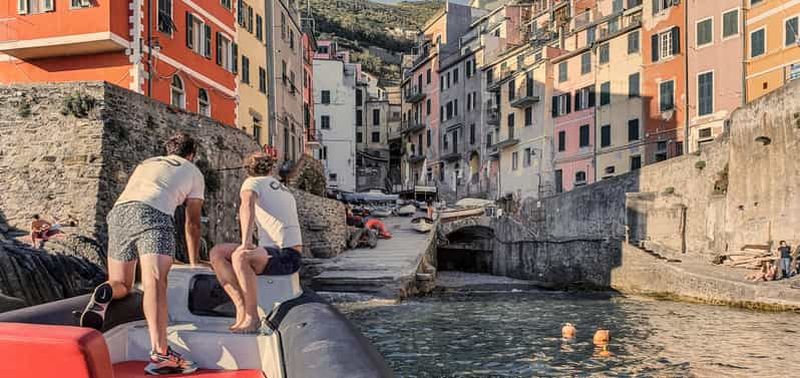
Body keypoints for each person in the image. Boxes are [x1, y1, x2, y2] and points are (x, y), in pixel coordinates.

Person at [80, 133, 205, 375]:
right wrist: (194, 261)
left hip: (119, 213)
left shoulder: (148, 163)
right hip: (154, 213)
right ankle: (161, 354)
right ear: (191, 154)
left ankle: (105, 291)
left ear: (168, 150)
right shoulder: (193, 170)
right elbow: (193, 223)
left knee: (122, 283)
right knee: (155, 282)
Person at [210, 152, 303, 334]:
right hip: (284, 253)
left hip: (285, 255)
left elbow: (247, 206)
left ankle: (252, 318)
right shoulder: (282, 188)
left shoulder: (251, 183)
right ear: (270, 168)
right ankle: (241, 308)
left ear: (248, 170)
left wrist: (245, 242)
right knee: (217, 252)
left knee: (241, 256)